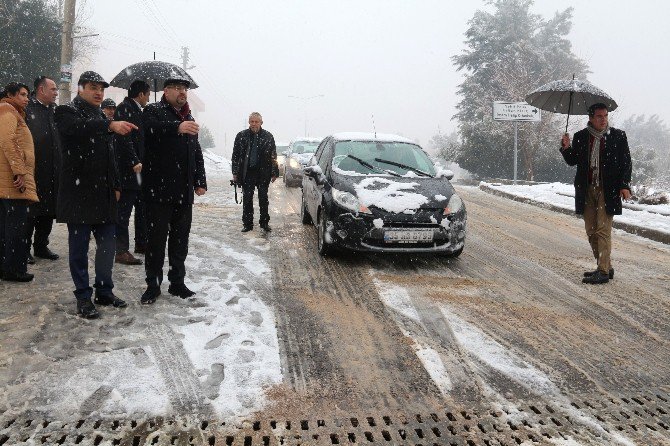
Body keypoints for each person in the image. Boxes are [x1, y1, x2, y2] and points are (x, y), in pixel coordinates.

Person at [55, 71, 138, 318]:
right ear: (80, 89)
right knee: (79, 250)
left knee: (106, 246)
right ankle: (83, 296)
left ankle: (105, 291)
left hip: (104, 195)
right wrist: (109, 124)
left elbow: (110, 156)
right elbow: (78, 129)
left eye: (101, 88)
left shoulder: (100, 116)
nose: (98, 92)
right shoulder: (66, 112)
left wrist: (116, 185)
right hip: (78, 194)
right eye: (93, 87)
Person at [140, 78, 206, 304]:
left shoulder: (188, 116)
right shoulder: (153, 111)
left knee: (180, 241)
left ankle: (177, 282)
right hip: (158, 190)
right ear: (165, 91)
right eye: (178, 88)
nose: (183, 93)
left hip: (183, 191)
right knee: (156, 242)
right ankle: (153, 284)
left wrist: (200, 180)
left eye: (185, 89)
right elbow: (149, 130)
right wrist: (175, 128)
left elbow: (196, 152)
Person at [560, 103, 632, 285]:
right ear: (591, 118)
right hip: (586, 189)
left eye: (605, 116)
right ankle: (605, 265)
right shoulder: (581, 137)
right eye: (599, 116)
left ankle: (603, 271)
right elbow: (572, 161)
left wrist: (624, 185)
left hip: (608, 190)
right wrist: (566, 148)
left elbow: (626, 162)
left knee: (603, 230)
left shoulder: (617, 136)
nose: (603, 120)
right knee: (591, 231)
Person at [0, 82, 39, 282]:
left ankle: (7, 267)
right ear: (10, 94)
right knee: (16, 228)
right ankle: (14, 269)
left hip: (7, 181)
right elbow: (8, 141)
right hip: (13, 181)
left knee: (7, 227)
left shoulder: (10, 111)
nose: (26, 99)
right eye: (23, 94)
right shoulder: (8, 111)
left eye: (27, 95)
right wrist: (20, 171)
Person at [113, 80, 151, 266]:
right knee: (124, 211)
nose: (149, 98)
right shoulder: (124, 109)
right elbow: (124, 139)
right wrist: (133, 159)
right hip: (128, 169)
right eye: (148, 94)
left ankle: (141, 243)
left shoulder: (136, 110)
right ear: (141, 94)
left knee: (141, 207)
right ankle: (120, 250)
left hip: (138, 169)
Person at [24, 76, 61, 263]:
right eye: (53, 89)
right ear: (41, 89)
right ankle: (24, 248)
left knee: (48, 210)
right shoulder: (27, 109)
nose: (56, 92)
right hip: (33, 169)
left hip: (53, 169)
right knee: (31, 211)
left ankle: (41, 245)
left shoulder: (55, 111)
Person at [231, 112, 278, 232]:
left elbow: (273, 155)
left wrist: (274, 171)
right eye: (252, 121)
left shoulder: (268, 136)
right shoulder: (241, 136)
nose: (254, 124)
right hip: (247, 172)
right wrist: (235, 172)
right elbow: (235, 155)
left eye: (256, 122)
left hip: (263, 172)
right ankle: (247, 224)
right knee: (247, 198)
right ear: (249, 122)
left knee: (263, 198)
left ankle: (264, 223)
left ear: (261, 123)